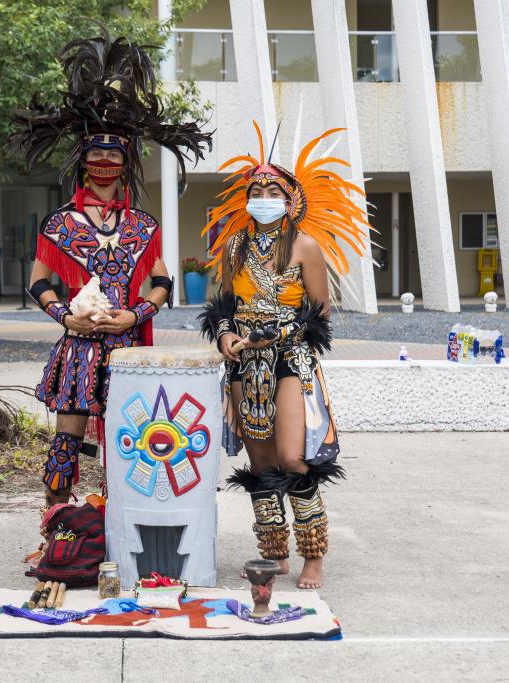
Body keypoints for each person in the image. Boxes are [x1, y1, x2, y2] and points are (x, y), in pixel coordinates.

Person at [8, 29, 212, 507]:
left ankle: (119, 528)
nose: (103, 161)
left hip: (127, 351)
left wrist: (136, 315)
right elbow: (38, 280)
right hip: (78, 348)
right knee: (65, 446)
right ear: (81, 161)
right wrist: (65, 317)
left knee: (133, 445)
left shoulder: (143, 224)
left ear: (126, 163)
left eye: (113, 154)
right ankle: (58, 526)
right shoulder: (59, 222)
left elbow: (161, 279)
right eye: (95, 153)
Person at [199, 123, 369, 590]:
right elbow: (222, 308)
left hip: (290, 361)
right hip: (243, 366)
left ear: (291, 198)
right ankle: (273, 554)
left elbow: (321, 316)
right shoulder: (233, 246)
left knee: (293, 458)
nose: (263, 195)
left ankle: (313, 554)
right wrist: (225, 335)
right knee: (261, 465)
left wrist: (279, 334)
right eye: (256, 189)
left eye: (273, 189)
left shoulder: (306, 246)